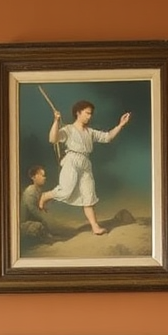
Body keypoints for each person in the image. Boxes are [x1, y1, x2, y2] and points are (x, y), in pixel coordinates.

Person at [40, 99, 131, 235]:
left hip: (85, 163)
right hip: (72, 161)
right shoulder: (68, 129)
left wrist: (121, 125)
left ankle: (95, 227)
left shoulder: (90, 132)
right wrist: (56, 121)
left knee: (89, 195)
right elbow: (53, 139)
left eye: (91, 114)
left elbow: (107, 137)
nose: (89, 116)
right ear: (78, 113)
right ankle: (46, 196)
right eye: (87, 113)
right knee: (65, 191)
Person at [19, 164, 55, 245]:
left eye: (44, 175)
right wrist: (43, 218)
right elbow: (32, 209)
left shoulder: (38, 190)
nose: (44, 178)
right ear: (34, 177)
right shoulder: (30, 191)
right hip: (25, 223)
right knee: (38, 226)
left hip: (33, 219)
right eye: (42, 175)